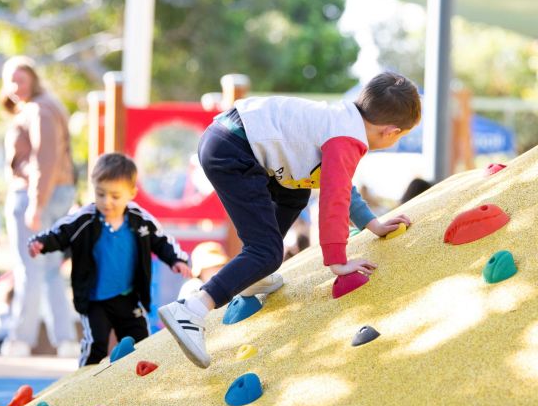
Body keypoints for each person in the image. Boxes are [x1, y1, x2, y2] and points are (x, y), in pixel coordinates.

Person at [159, 71, 421, 368]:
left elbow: (339, 183)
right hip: (235, 149)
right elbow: (334, 198)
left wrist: (371, 223)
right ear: (391, 131)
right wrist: (337, 260)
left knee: (295, 192)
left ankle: (251, 275)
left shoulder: (342, 119)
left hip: (229, 138)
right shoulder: (347, 138)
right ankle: (193, 309)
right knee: (266, 251)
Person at [28, 153, 191, 366]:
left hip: (128, 297)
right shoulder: (85, 219)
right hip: (95, 299)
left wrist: (176, 259)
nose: (107, 202)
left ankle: (139, 384)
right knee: (97, 343)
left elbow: (160, 240)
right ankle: (83, 385)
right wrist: (41, 242)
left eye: (115, 196)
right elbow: (62, 232)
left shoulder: (139, 220)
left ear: (131, 193)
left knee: (140, 341)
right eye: (100, 193)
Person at [0, 56, 80, 358]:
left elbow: (46, 158)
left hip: (36, 195)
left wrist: (35, 203)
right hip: (53, 193)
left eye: (20, 79)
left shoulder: (39, 109)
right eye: (9, 80)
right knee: (47, 270)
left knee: (29, 268)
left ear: (33, 79)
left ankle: (21, 339)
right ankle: (65, 340)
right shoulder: (46, 106)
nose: (13, 86)